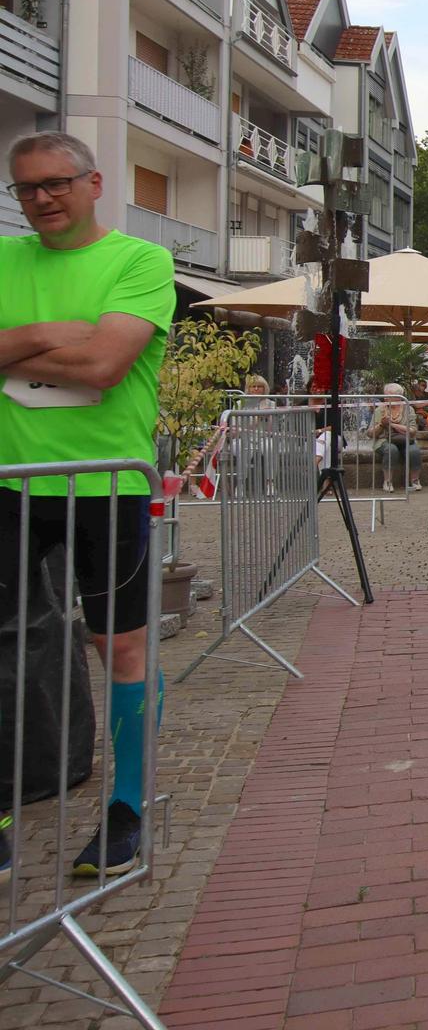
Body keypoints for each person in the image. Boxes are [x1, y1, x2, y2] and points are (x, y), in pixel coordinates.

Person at [0, 130, 175, 878]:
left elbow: (107, 362)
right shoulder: (6, 260)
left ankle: (126, 806)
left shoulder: (140, 261)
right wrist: (46, 332)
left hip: (109, 481)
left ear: (94, 183)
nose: (41, 198)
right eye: (25, 188)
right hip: (10, 480)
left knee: (121, 648)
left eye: (55, 184)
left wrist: (11, 345)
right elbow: (87, 352)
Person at [368, 384, 422, 492]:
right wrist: (382, 425)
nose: (385, 398)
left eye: (389, 395)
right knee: (391, 449)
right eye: (385, 395)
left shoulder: (408, 409)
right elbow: (370, 433)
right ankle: (387, 481)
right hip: (384, 440)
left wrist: (392, 425)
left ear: (398, 397)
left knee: (414, 450)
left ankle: (415, 480)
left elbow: (412, 431)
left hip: (404, 439)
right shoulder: (380, 410)